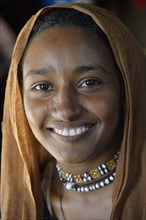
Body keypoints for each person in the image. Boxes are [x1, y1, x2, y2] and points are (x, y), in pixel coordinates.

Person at [1, 3, 145, 220]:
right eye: (43, 87)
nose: (66, 111)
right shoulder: (19, 196)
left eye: (89, 83)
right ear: (19, 97)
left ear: (125, 89)